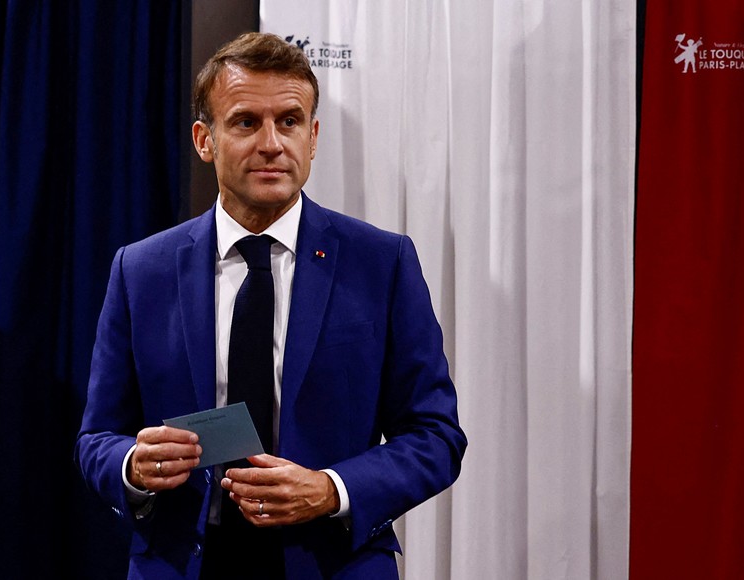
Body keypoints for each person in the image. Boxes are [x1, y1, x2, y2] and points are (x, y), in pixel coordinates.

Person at [75, 32, 466, 579]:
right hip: (184, 563)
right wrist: (134, 466)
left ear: (313, 136)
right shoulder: (141, 270)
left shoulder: (383, 263)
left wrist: (331, 490)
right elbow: (97, 438)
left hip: (332, 561)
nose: (271, 143)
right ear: (203, 139)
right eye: (244, 122)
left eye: (288, 121)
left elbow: (436, 437)